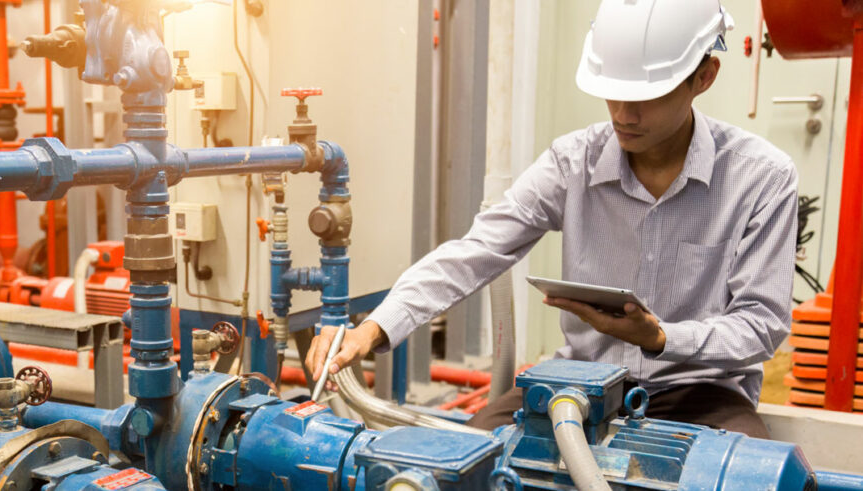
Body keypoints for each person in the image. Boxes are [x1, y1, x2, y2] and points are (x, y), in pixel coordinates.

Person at [305, 0, 796, 439]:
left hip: (697, 391)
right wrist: (371, 328)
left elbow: (760, 324)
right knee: (465, 461)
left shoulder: (762, 179)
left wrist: (664, 338)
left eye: (646, 97)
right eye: (611, 92)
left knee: (751, 474)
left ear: (704, 77)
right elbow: (475, 252)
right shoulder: (573, 162)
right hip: (579, 383)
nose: (623, 114)